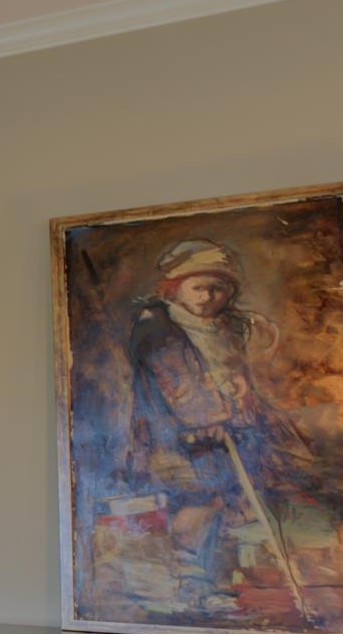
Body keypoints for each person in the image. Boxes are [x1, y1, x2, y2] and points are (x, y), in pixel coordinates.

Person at [123, 239, 308, 614]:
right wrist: (207, 419)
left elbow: (242, 371)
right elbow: (175, 381)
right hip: (179, 437)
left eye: (217, 288)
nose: (208, 297)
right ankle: (190, 584)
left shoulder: (227, 327)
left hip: (228, 432)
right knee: (196, 503)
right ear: (175, 288)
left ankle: (214, 582)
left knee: (227, 505)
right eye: (199, 287)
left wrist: (243, 402)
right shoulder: (158, 326)